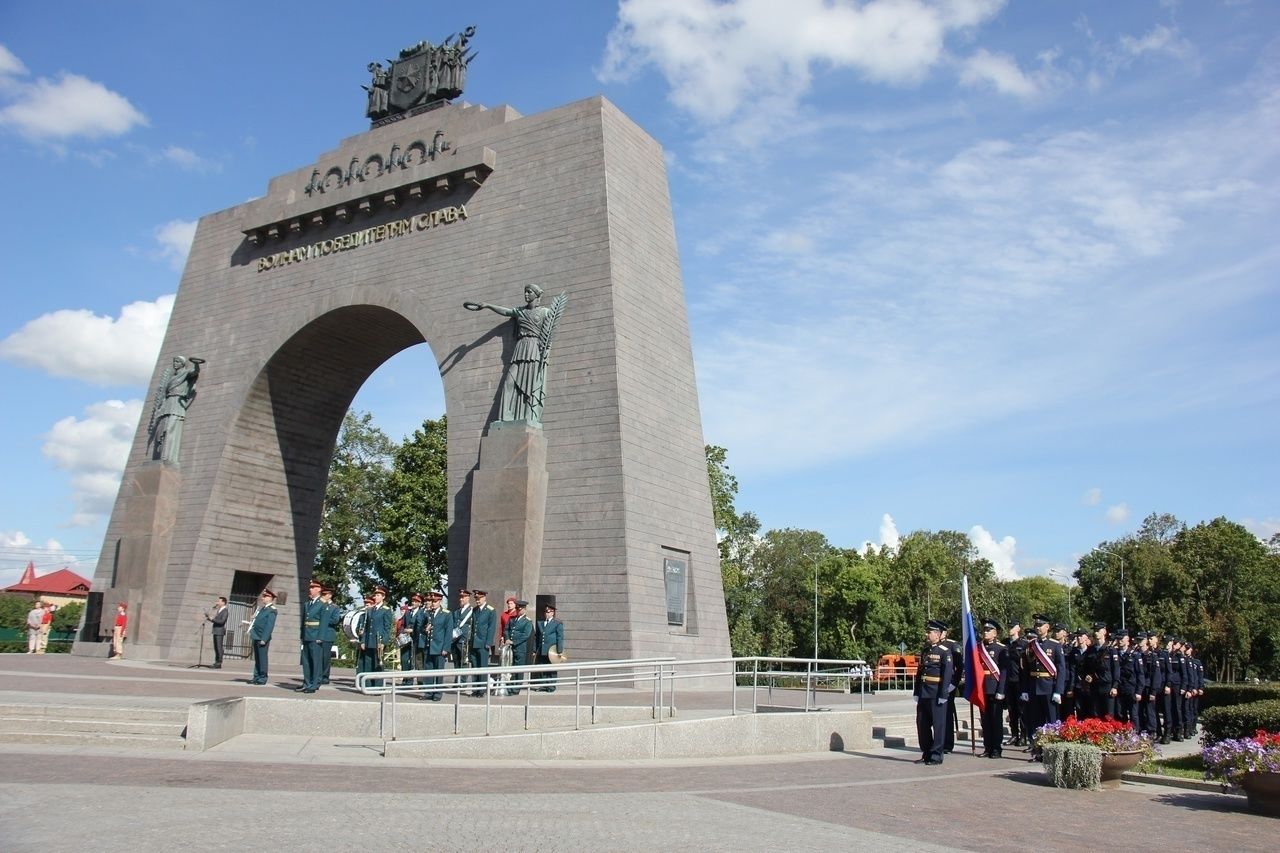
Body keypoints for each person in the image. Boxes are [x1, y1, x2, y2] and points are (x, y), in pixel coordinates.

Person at [464, 285, 566, 425]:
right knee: (509, 383)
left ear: (536, 295)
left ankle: (529, 417)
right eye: (525, 292)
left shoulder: (545, 312)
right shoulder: (520, 311)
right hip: (520, 348)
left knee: (532, 384)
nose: (526, 294)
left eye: (529, 292)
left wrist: (545, 352)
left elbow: (549, 334)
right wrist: (487, 305)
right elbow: (506, 312)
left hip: (535, 349)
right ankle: (505, 417)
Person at [1020, 614, 1066, 761]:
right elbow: (1025, 670)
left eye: (1041, 625)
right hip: (1034, 687)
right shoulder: (1030, 645)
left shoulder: (1055, 645)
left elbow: (1061, 669)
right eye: (1036, 626)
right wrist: (1025, 689)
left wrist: (1058, 691)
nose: (1038, 628)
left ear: (1047, 627)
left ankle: (1052, 752)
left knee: (1051, 722)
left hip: (1049, 687)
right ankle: (1038, 752)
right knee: (1036, 722)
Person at [147, 354, 203, 464]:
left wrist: (196, 363)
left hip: (177, 404)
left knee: (170, 428)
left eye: (177, 362)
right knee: (161, 429)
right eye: (174, 361)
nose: (175, 364)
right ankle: (161, 455)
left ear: (182, 364)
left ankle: (168, 455)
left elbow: (194, 372)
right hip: (168, 403)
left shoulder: (186, 373)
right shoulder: (172, 377)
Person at [913, 619, 953, 766]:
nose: (927, 634)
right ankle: (926, 753)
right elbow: (920, 672)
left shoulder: (944, 652)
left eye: (930, 632)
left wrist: (944, 694)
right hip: (924, 693)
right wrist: (916, 691)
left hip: (936, 693)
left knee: (938, 725)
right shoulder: (925, 650)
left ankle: (936, 755)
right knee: (922, 724)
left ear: (937, 634)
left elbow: (947, 673)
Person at [977, 619, 1009, 759]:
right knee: (985, 721)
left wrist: (1001, 690)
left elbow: (1004, 671)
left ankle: (996, 748)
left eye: (988, 630)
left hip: (995, 688)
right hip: (982, 689)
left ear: (995, 633)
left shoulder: (1001, 649)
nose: (985, 632)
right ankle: (987, 747)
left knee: (996, 720)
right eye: (984, 630)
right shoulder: (978, 648)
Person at [423, 590, 452, 700]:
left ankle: (438, 694)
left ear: (440, 601)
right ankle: (428, 693)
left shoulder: (446, 614)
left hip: (439, 647)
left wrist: (446, 648)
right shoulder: (428, 613)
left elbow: (448, 632)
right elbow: (422, 627)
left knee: (439, 671)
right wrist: (425, 629)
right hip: (429, 646)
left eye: (435, 601)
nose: (433, 603)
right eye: (431, 601)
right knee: (429, 671)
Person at [299, 580, 327, 693]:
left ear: (319, 589)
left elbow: (324, 622)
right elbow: (303, 621)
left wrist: (320, 636)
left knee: (315, 661)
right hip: (307, 635)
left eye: (313, 587)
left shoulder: (323, 604)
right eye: (310, 587)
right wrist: (302, 635)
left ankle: (314, 684)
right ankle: (307, 682)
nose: (310, 589)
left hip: (315, 636)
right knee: (306, 661)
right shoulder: (307, 604)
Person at [358, 587, 393, 676]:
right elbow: (366, 627)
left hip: (378, 640)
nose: (375, 597)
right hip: (369, 640)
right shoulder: (370, 610)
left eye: (378, 595)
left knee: (378, 663)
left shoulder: (386, 610)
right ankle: (368, 685)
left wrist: (383, 642)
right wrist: (363, 641)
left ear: (383, 597)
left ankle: (378, 686)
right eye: (375, 595)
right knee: (368, 663)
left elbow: (387, 627)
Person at [1003, 620, 1027, 746]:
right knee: (1011, 711)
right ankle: (1014, 735)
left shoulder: (1023, 644)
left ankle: (1023, 736)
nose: (1010, 629)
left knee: (1022, 710)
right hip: (1008, 682)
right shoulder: (1005, 643)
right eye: (1009, 627)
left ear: (1018, 628)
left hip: (1019, 681)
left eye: (1012, 627)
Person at [470, 590, 497, 696]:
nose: (477, 601)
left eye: (479, 598)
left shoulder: (490, 610)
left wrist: (488, 642)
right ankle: (476, 688)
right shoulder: (475, 610)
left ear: (484, 598)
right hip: (474, 642)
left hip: (483, 642)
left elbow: (491, 627)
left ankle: (481, 690)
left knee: (483, 666)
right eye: (476, 599)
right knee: (475, 666)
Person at [249, 590, 277, 684]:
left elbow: (269, 626)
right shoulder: (262, 609)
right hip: (256, 635)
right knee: (257, 658)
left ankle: (262, 677)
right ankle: (256, 676)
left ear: (270, 598)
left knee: (262, 658)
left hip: (262, 637)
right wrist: (254, 618)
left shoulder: (272, 610)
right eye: (263, 596)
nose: (262, 598)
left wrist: (264, 639)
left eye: (265, 596)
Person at [534, 604, 564, 692]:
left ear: (552, 613)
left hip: (552, 650)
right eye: (545, 612)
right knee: (543, 667)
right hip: (543, 649)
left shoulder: (557, 623)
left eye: (548, 612)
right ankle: (544, 685)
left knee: (552, 668)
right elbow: (538, 637)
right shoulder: (541, 623)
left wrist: (559, 650)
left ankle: (551, 686)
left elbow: (560, 637)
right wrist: (535, 649)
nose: (546, 614)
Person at [506, 600, 534, 695]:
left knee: (518, 669)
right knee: (511, 667)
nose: (518, 610)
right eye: (517, 608)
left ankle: (516, 688)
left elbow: (525, 635)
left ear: (525, 609)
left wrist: (514, 642)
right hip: (510, 648)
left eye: (520, 609)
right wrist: (507, 638)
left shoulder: (527, 622)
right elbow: (507, 630)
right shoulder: (512, 619)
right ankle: (510, 686)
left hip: (520, 648)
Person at [399, 594, 425, 676]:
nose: (413, 603)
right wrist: (404, 631)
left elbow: (422, 627)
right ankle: (406, 679)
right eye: (413, 601)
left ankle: (419, 681)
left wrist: (413, 630)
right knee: (404, 659)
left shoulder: (422, 613)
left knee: (416, 661)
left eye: (416, 602)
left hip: (416, 640)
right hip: (407, 640)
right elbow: (403, 624)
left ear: (420, 604)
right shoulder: (407, 613)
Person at [320, 586, 340, 685]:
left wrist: (323, 620)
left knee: (325, 657)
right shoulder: (319, 605)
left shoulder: (334, 607)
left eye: (325, 595)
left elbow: (335, 620)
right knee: (317, 656)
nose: (323, 596)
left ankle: (324, 676)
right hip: (317, 634)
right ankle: (317, 675)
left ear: (330, 595)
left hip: (328, 634)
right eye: (322, 594)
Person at [206, 596, 229, 668]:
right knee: (216, 647)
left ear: (223, 602)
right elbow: (216, 620)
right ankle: (216, 662)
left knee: (219, 647)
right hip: (216, 630)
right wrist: (209, 618)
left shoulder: (225, 611)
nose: (217, 602)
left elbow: (222, 621)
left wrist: (212, 619)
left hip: (219, 631)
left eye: (219, 601)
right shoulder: (219, 610)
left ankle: (219, 663)